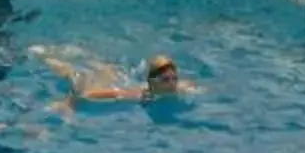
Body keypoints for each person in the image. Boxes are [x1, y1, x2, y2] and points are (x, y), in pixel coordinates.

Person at [36, 48, 191, 106]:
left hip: (120, 80)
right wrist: (69, 103)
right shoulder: (136, 95)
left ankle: (94, 61)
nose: (172, 84)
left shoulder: (179, 88)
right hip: (99, 86)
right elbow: (87, 95)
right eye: (165, 79)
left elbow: (193, 86)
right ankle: (43, 55)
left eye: (174, 78)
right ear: (151, 81)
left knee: (107, 70)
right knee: (73, 74)